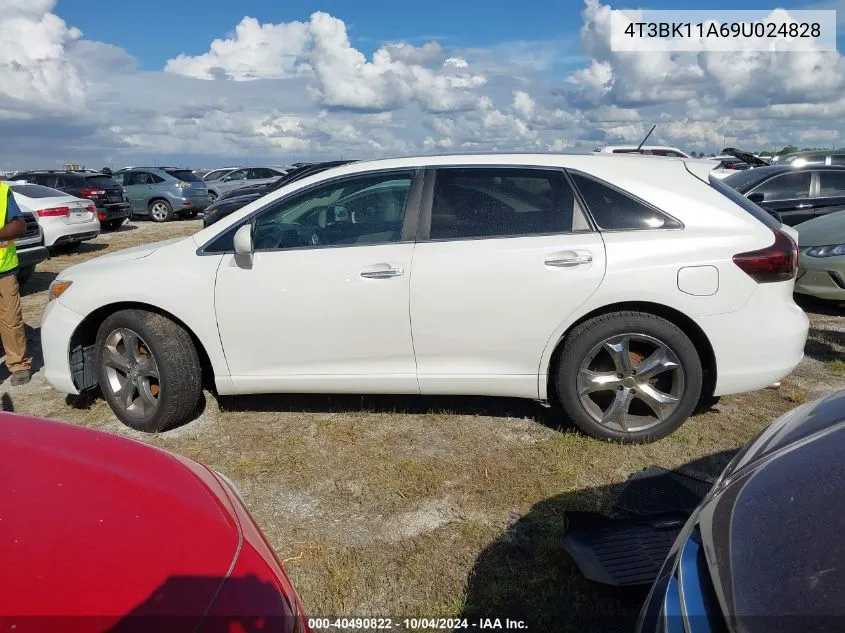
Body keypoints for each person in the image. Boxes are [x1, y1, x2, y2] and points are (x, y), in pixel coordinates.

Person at [0, 182, 31, 386]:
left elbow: (20, 225)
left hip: (4, 269)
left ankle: (19, 364)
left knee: (11, 319)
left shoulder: (2, 191)